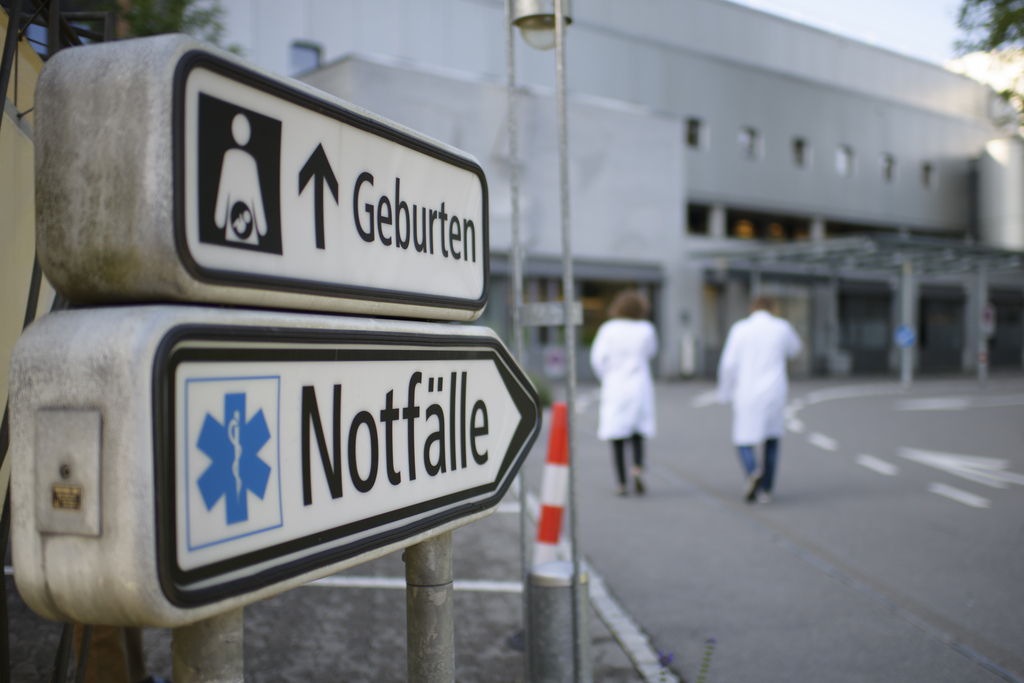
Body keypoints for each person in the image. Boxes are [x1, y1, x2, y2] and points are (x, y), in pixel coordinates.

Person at [717, 296, 802, 503]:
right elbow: (795, 350)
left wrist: (724, 392)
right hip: (773, 391)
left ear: (752, 308)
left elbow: (728, 364)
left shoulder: (739, 329)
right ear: (774, 308)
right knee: (771, 438)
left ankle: (753, 470)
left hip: (746, 392)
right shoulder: (782, 327)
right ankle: (766, 489)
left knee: (743, 438)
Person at [590, 289, 658, 495]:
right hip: (639, 384)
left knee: (616, 435)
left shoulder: (608, 329)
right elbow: (652, 352)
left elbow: (597, 358)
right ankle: (637, 468)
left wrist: (607, 376)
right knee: (638, 431)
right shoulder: (646, 329)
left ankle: (620, 483)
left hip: (616, 385)